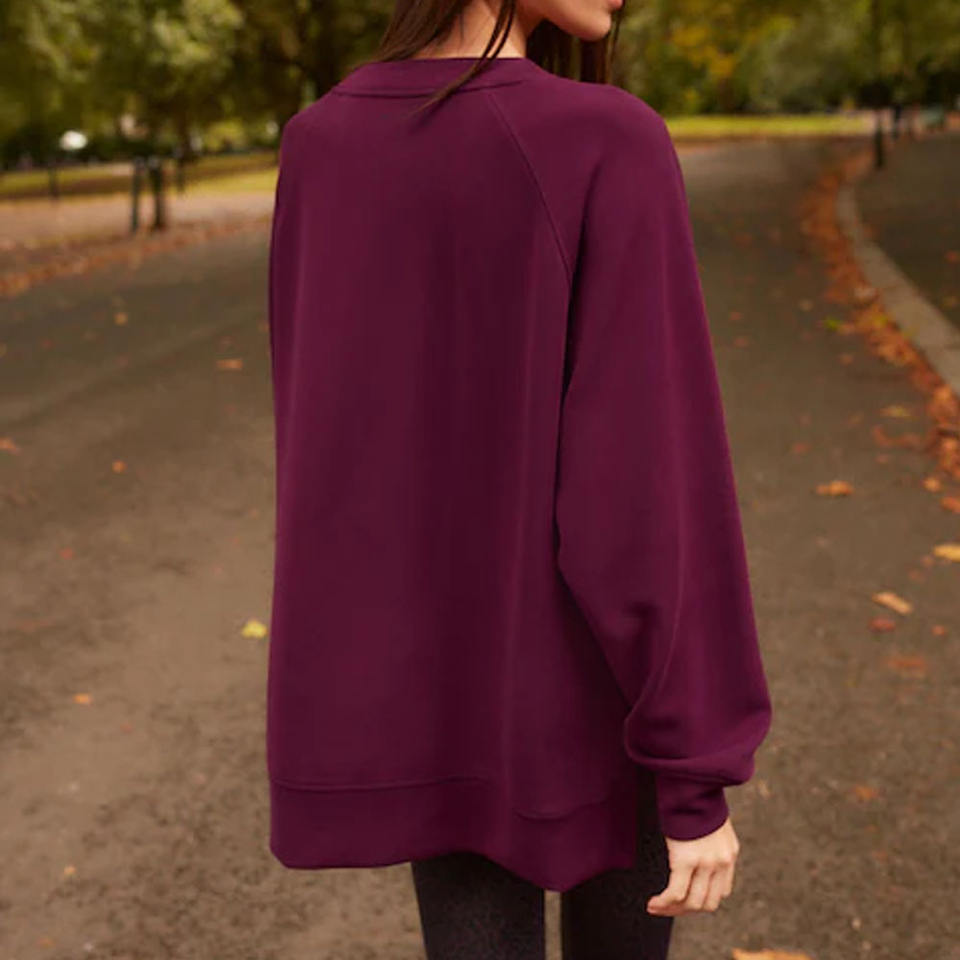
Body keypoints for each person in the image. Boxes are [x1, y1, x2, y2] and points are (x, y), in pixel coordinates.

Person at [264, 0, 774, 956]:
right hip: (599, 701)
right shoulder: (606, 137)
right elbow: (648, 479)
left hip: (436, 704)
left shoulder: (318, 144)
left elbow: (329, 453)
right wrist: (693, 768)